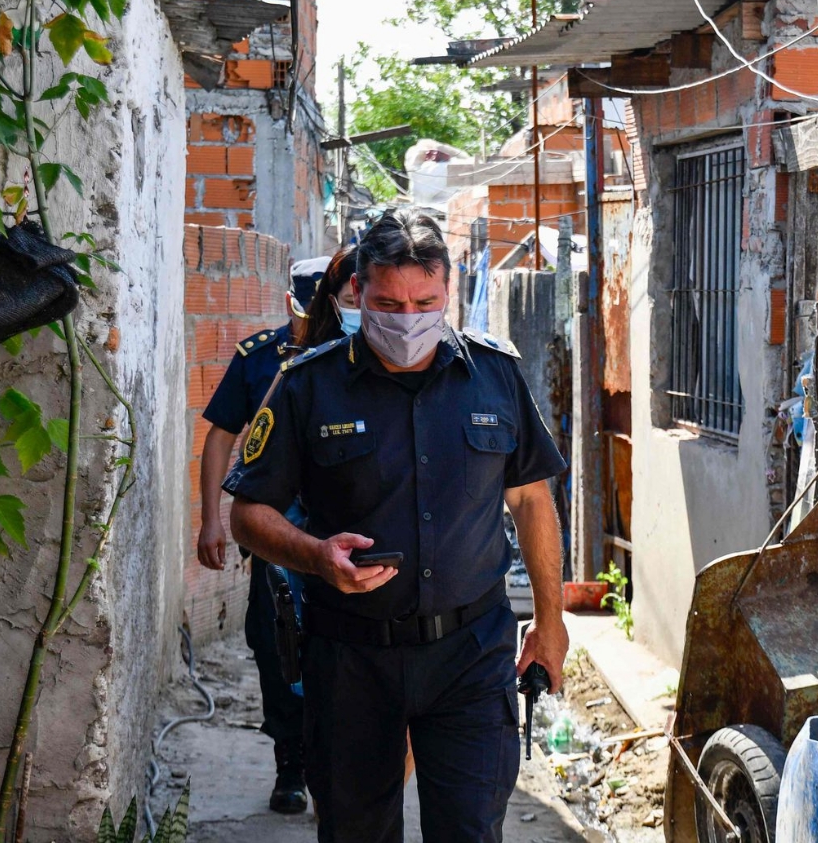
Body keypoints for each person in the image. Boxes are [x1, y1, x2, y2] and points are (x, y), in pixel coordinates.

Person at [223, 209, 568, 843]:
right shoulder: (306, 386)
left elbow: (532, 502)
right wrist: (314, 554)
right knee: (355, 832)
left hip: (471, 655)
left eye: (425, 301)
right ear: (357, 291)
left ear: (449, 292)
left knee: (469, 831)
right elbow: (248, 513)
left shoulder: (494, 376)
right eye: (389, 302)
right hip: (351, 660)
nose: (408, 318)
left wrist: (551, 622)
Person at [195, 254, 331, 814]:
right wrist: (210, 517)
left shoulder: (358, 358)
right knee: (276, 649)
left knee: (343, 654)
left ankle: (334, 769)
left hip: (344, 532)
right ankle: (290, 769)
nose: (313, 325)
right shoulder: (260, 359)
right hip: (276, 537)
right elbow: (221, 436)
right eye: (306, 314)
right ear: (289, 306)